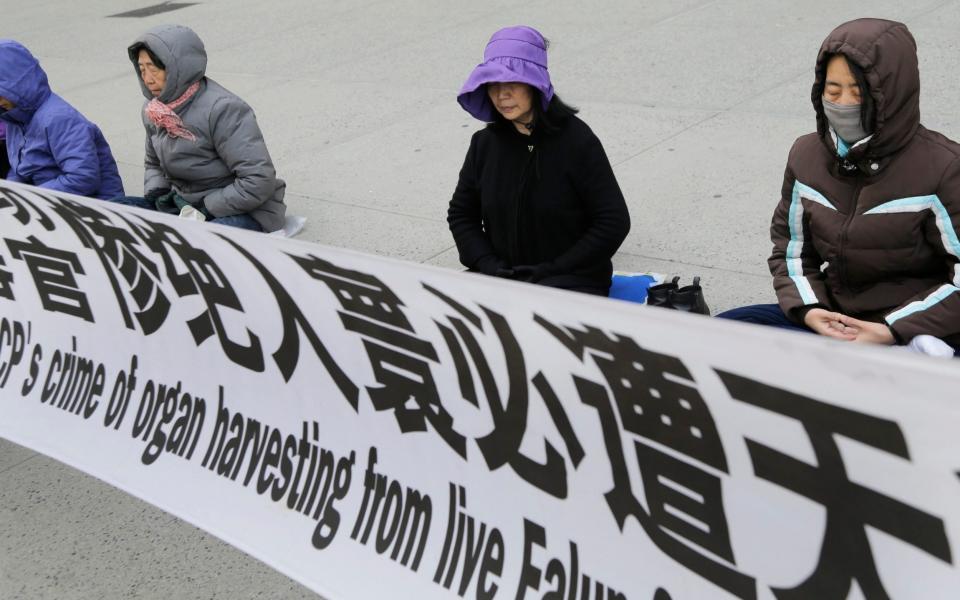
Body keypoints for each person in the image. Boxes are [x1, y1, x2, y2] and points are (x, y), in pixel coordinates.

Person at [718, 18, 960, 356]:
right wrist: (811, 310)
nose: (843, 103)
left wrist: (893, 328)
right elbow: (791, 251)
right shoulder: (805, 156)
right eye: (833, 91)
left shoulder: (945, 167)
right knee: (721, 330)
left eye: (859, 92)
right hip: (835, 320)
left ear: (892, 94)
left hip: (917, 328)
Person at [448, 26, 630, 296]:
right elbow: (462, 215)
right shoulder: (484, 144)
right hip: (502, 276)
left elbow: (612, 222)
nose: (502, 94)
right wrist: (488, 265)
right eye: (493, 84)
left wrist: (551, 269)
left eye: (512, 82)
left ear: (535, 84)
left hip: (570, 280)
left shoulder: (577, 141)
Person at [113, 24, 286, 232]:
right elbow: (153, 163)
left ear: (177, 67)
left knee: (202, 242)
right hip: (183, 204)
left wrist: (205, 207)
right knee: (112, 214)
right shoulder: (154, 110)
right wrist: (156, 194)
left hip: (239, 209)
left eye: (154, 68)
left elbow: (258, 179)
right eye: (141, 70)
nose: (148, 79)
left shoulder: (223, 109)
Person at [0, 40, 123, 199]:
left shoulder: (58, 119)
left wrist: (30, 197)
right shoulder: (13, 119)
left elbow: (83, 178)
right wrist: (11, 194)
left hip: (95, 208)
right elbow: (19, 172)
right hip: (52, 200)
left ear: (17, 86)